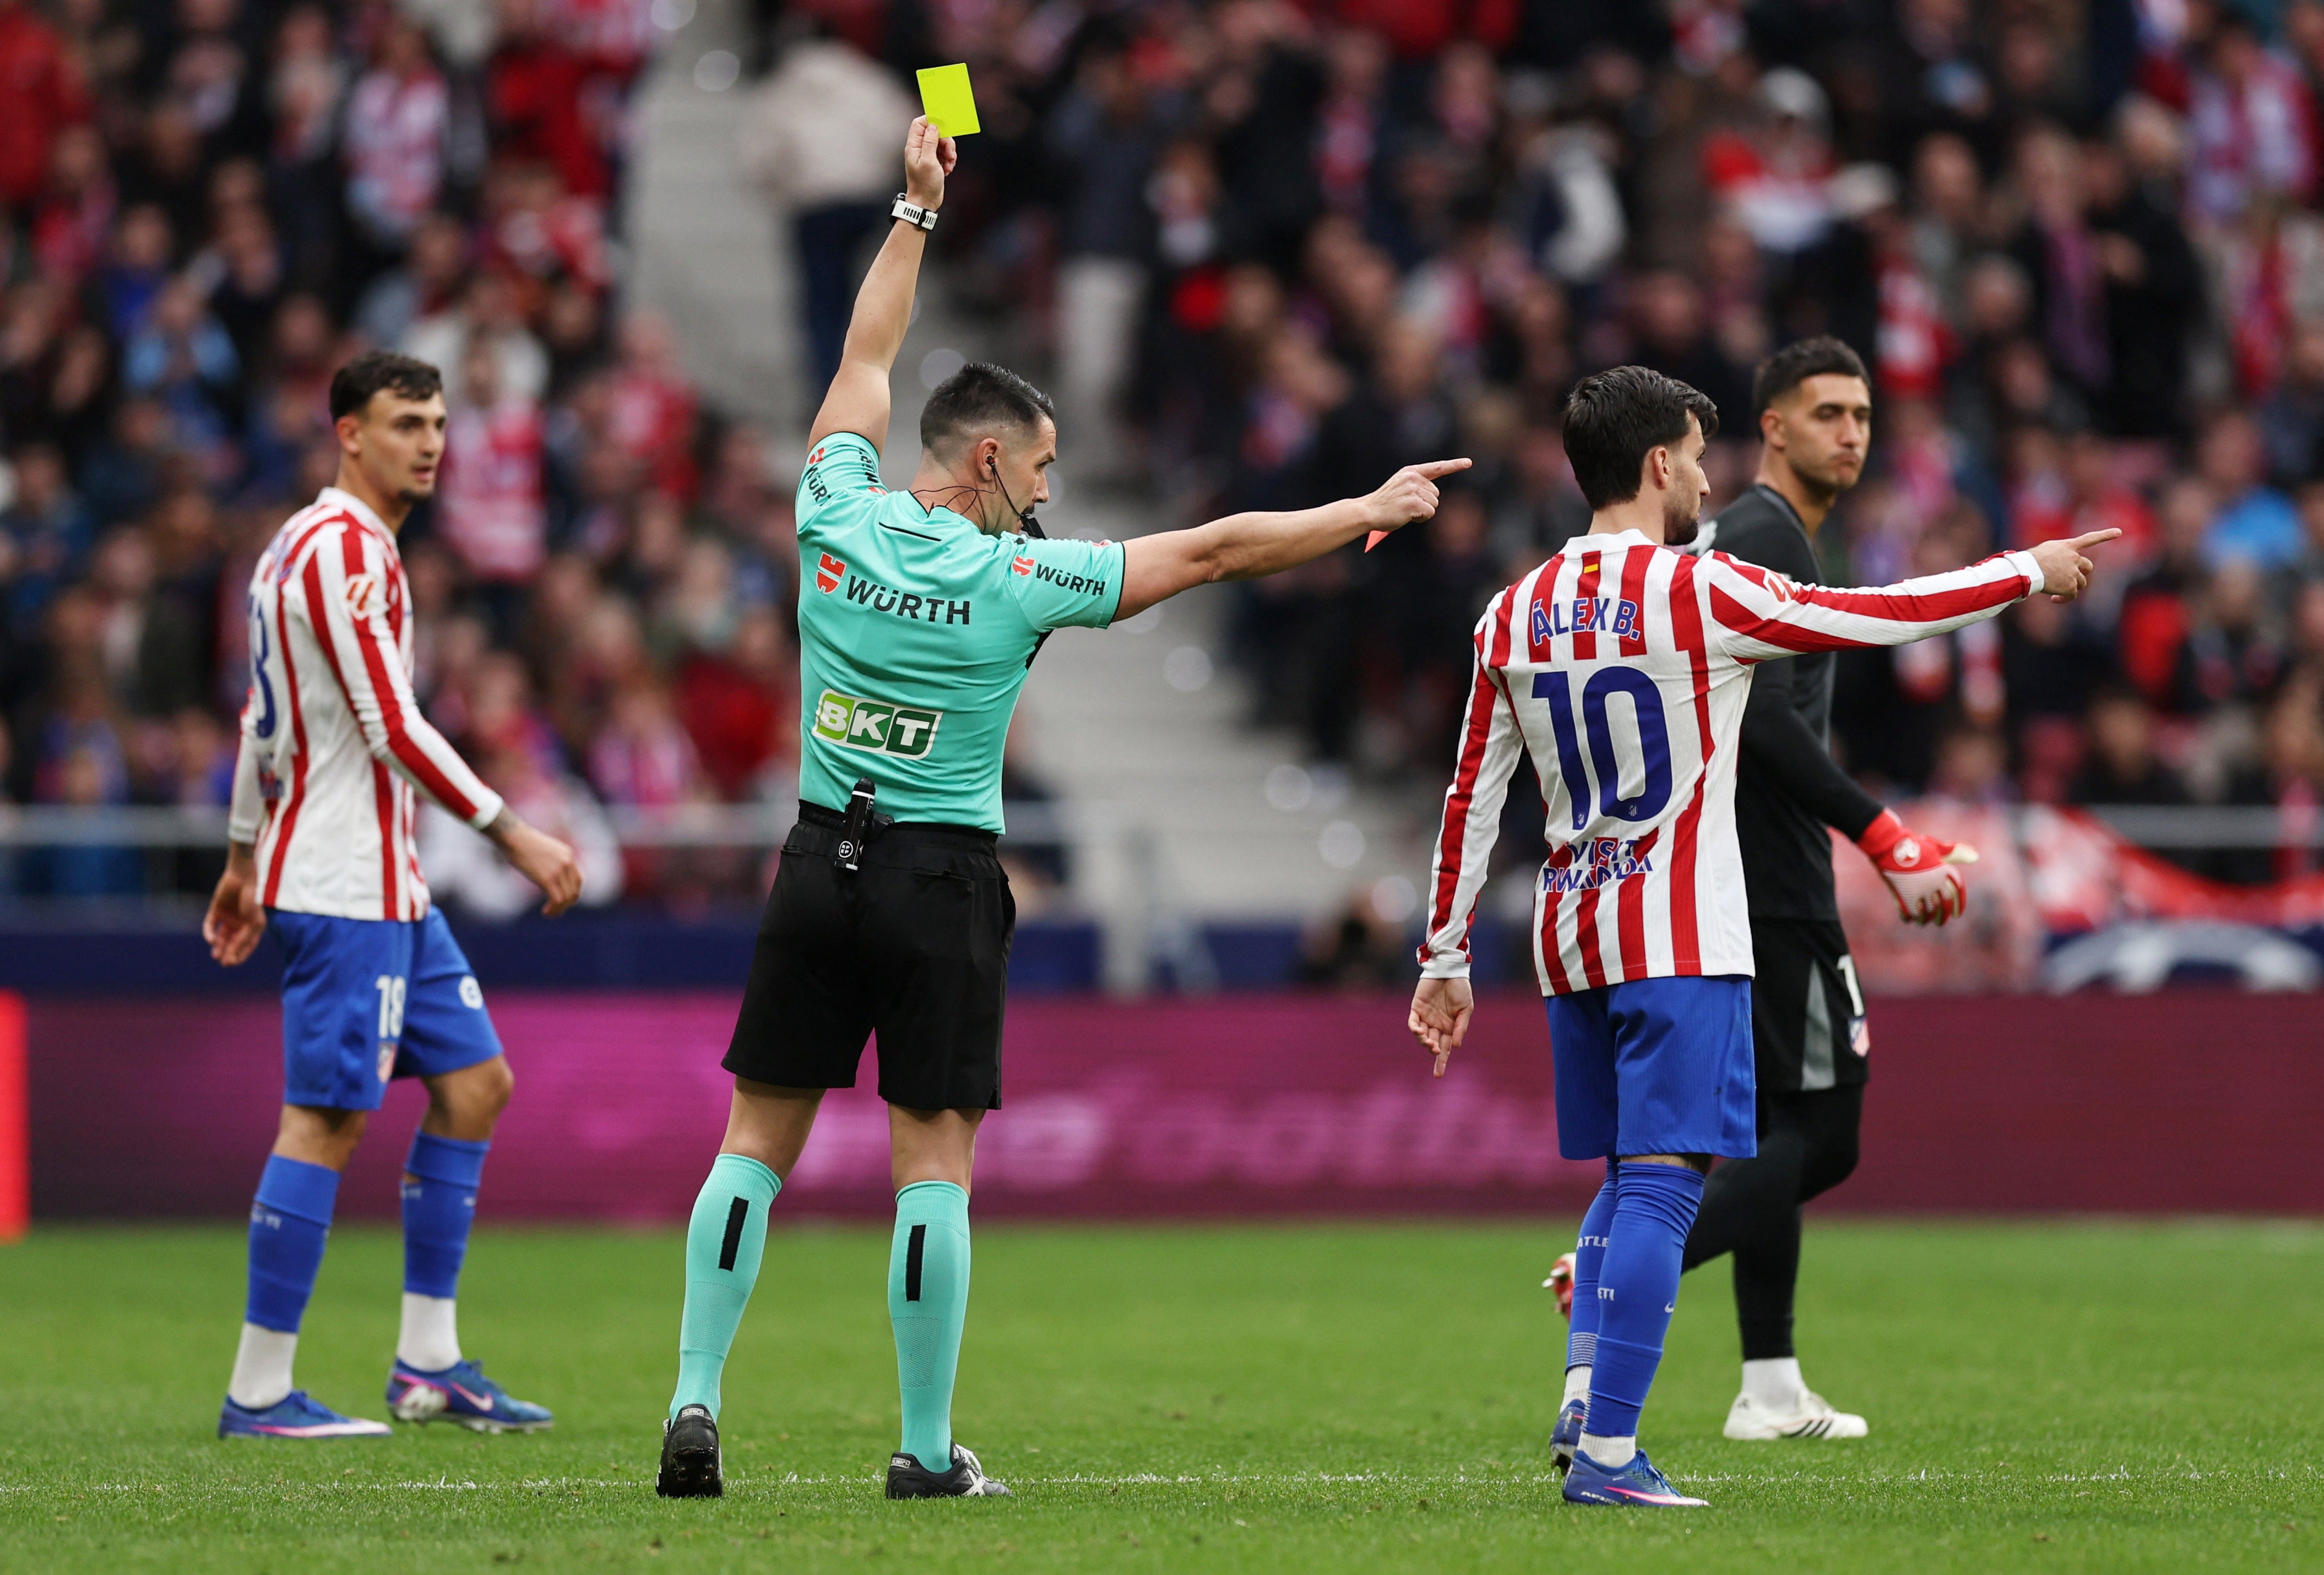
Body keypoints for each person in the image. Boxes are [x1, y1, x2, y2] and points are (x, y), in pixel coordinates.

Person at [654, 116, 1465, 1502]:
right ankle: (920, 1448)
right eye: (1035, 472)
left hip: (810, 861)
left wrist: (914, 212)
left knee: (755, 1142)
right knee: (933, 1165)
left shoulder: (830, 508)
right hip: (940, 879)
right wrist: (1367, 508)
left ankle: (692, 1401)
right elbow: (1211, 551)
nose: (1046, 496)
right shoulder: (1018, 583)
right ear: (984, 466)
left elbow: (862, 357)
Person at [1407, 364, 2114, 1508]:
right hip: (1681, 928)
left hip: (1572, 929)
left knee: (1621, 1177)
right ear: (1654, 466)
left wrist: (1442, 956)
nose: (1704, 476)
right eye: (1693, 455)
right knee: (1665, 1182)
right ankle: (1607, 1455)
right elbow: (1880, 614)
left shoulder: (1512, 608)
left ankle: (1587, 1394)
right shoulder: (1700, 590)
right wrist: (2028, 570)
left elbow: (1468, 798)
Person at [1552, 336, 1976, 1444]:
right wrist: (1882, 833)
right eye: (1826, 412)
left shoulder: (1775, 536)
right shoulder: (1749, 535)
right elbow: (1771, 719)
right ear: (1770, 427)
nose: (1852, 432)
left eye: (1863, 414)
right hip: (1766, 878)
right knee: (1826, 1133)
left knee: (1777, 1124)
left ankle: (1770, 1379)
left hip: (1750, 874)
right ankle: (1618, 1258)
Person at [203, 350, 584, 1441]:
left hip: (388, 886)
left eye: (436, 422)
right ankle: (261, 1389)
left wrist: (237, 857)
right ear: (349, 433)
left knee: (475, 1083)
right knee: (324, 1118)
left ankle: (428, 1365)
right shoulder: (345, 551)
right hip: (342, 885)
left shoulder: (297, 547)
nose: (429, 440)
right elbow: (389, 723)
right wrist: (511, 830)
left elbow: (261, 721)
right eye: (404, 421)